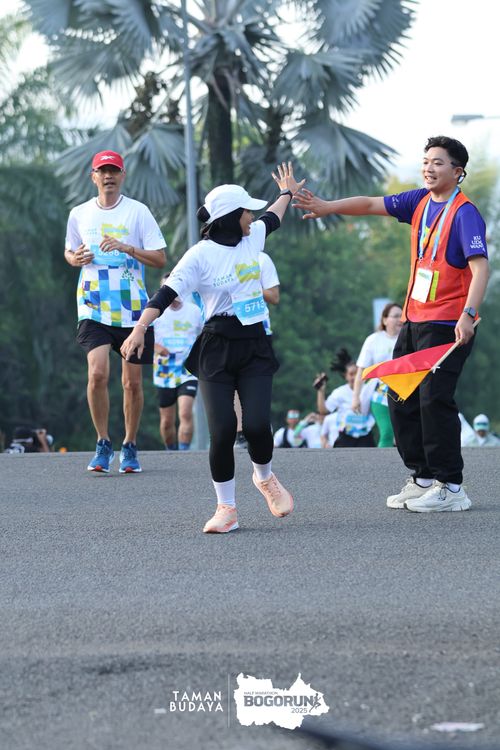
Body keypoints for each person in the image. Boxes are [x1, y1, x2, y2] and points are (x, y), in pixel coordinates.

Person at [294, 135, 489, 512]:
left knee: (434, 399)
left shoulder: (465, 213)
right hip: (413, 321)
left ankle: (451, 486)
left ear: (458, 172)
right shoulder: (419, 201)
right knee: (398, 396)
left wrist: (468, 314)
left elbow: (480, 268)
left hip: (448, 324)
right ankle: (423, 478)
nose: (429, 168)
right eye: (426, 161)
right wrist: (326, 206)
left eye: (438, 162)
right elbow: (370, 204)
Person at [120, 163, 305, 533]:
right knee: (222, 430)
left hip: (254, 343)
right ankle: (226, 509)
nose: (252, 217)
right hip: (216, 346)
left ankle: (264, 477)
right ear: (231, 217)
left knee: (256, 425)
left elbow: (273, 217)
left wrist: (286, 192)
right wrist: (140, 329)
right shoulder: (199, 255)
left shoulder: (252, 238)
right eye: (246, 212)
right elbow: (165, 294)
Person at [64, 150, 166, 473]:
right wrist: (75, 259)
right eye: (103, 171)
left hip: (132, 308)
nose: (108, 176)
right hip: (93, 304)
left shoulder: (138, 212)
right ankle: (103, 442)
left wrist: (126, 247)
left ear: (123, 176)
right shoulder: (79, 213)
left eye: (114, 171)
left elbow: (160, 258)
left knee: (131, 383)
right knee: (97, 374)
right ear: (93, 176)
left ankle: (130, 444)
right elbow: (69, 251)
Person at [234, 250, 280, 449]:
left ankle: (260, 423)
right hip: (229, 330)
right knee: (234, 383)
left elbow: (274, 296)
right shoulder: (219, 256)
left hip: (259, 329)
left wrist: (250, 286)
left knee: (256, 381)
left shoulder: (261, 259)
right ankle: (240, 433)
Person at [153, 274, 204, 450]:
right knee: (167, 421)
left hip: (187, 370)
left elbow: (205, 335)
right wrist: (156, 347)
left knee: (185, 413)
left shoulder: (194, 311)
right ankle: (171, 452)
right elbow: (141, 336)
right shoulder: (155, 311)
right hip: (164, 371)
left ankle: (184, 453)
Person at [352, 302, 403, 447]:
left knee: (403, 434)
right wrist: (355, 397)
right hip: (380, 394)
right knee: (387, 431)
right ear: (385, 320)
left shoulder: (408, 339)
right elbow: (361, 371)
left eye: (402, 316)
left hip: (404, 393)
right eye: (395, 316)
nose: (400, 320)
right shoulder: (373, 340)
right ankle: (383, 461)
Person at [315, 349, 375, 447]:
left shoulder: (368, 388)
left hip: (365, 435)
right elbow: (323, 411)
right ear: (345, 376)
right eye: (351, 374)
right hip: (346, 436)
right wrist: (321, 392)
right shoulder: (339, 392)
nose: (354, 377)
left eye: (357, 374)